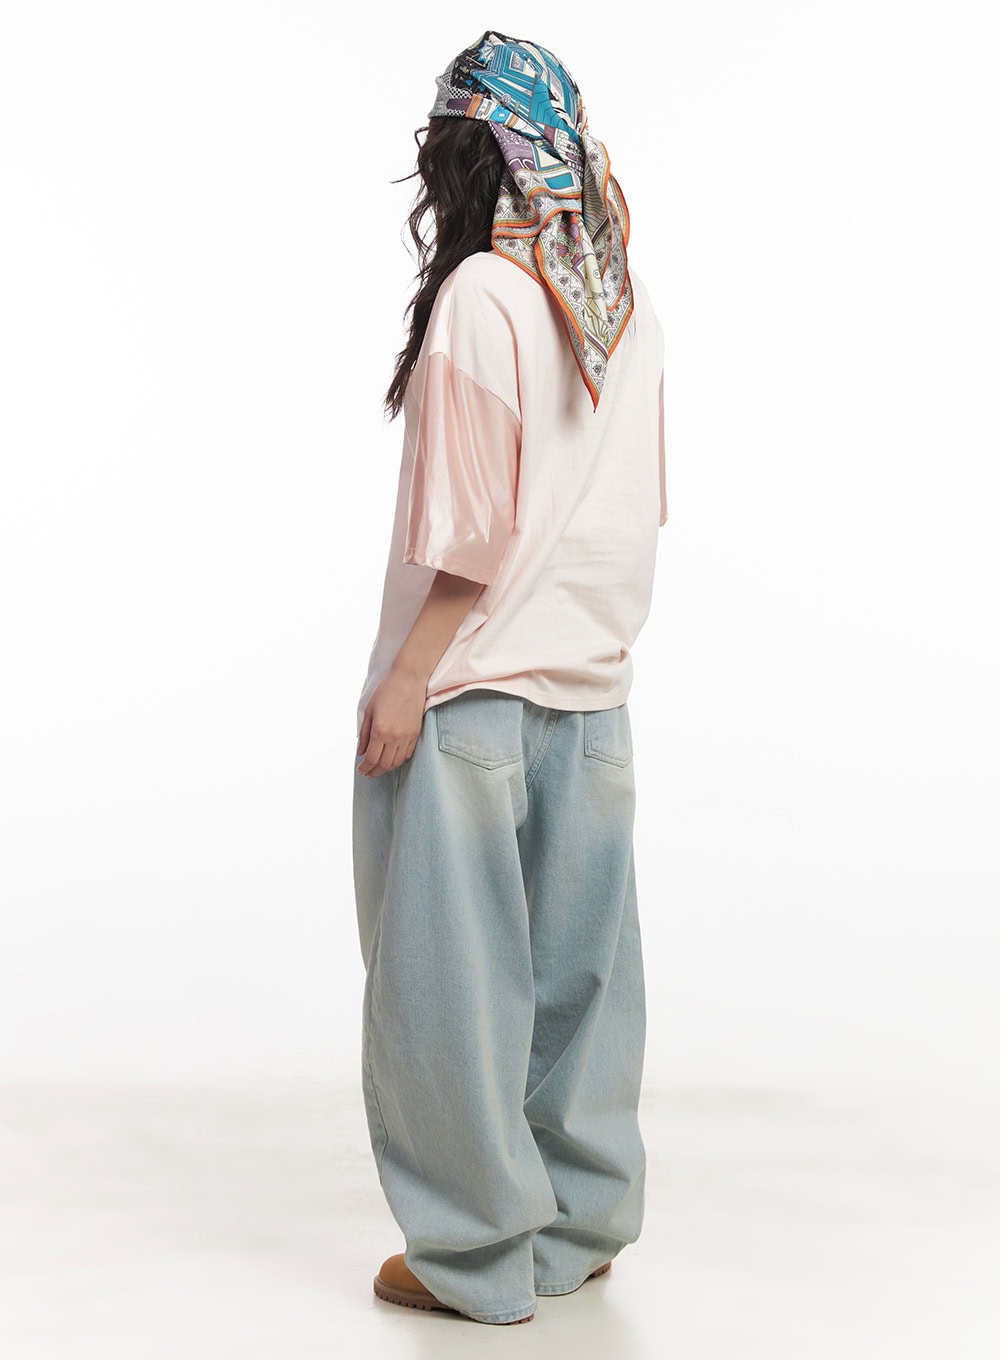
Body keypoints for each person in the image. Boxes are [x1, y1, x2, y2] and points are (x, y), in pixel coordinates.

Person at [352, 30, 667, 1326]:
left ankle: (474, 1257)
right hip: (593, 689)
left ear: (468, 153)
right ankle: (579, 1224)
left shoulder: (486, 294)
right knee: (582, 979)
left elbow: (473, 529)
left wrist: (406, 678)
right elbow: (639, 511)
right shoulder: (624, 305)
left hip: (474, 690)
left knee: (449, 984)